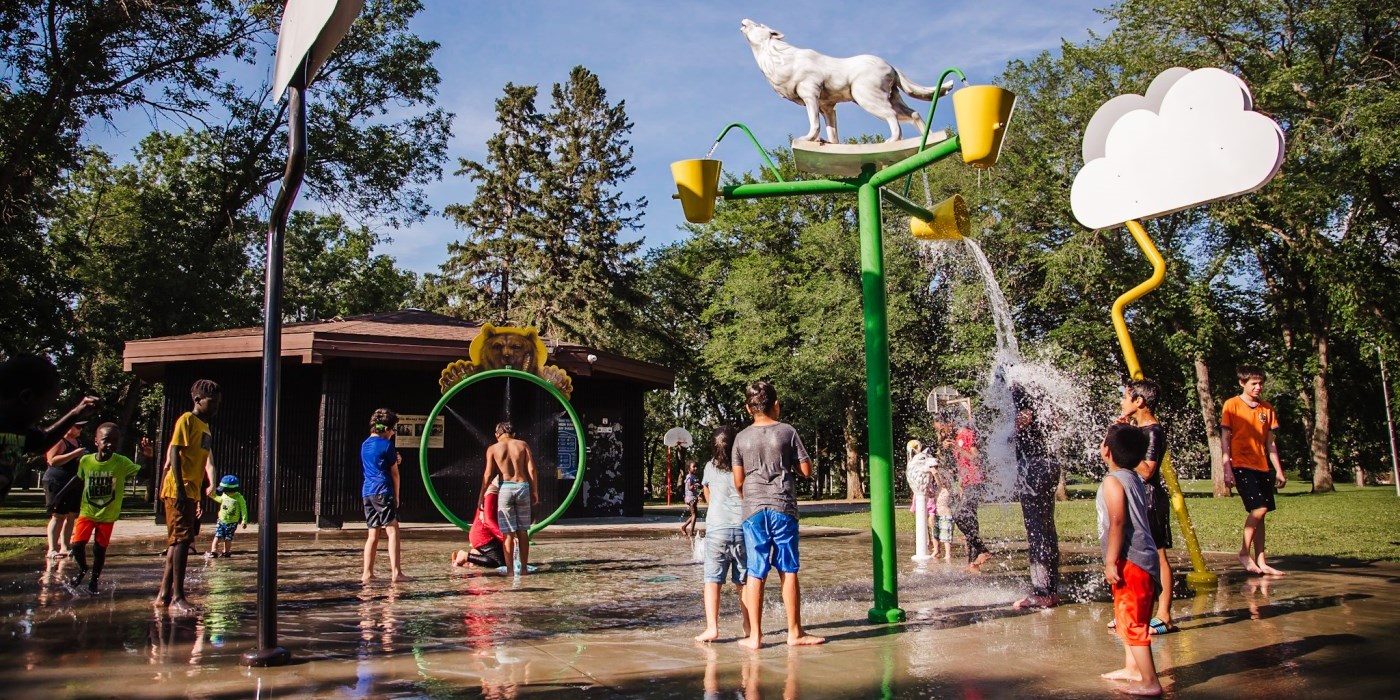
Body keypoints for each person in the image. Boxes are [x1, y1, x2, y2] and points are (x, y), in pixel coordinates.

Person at [733, 381, 824, 649]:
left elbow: (738, 481)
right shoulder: (787, 432)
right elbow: (806, 470)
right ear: (776, 405)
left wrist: (749, 497)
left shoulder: (741, 438)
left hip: (753, 510)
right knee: (788, 568)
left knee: (754, 571)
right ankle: (794, 633)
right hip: (783, 506)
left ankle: (755, 637)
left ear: (748, 408)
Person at [1096, 423, 1163, 696]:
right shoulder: (1133, 477)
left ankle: (1150, 680)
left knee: (1133, 622)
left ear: (1107, 451)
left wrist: (1110, 561)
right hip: (1142, 559)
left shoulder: (1113, 481)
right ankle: (1131, 668)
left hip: (1129, 560)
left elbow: (1118, 522)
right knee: (1127, 617)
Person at [155, 379, 220, 614]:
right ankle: (178, 596)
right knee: (182, 541)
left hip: (190, 491)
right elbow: (174, 450)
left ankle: (164, 594)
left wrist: (196, 495)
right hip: (178, 490)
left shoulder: (205, 426)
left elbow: (201, 462)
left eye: (218, 403)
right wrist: (181, 491)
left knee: (178, 541)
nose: (215, 407)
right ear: (197, 400)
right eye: (211, 402)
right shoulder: (187, 420)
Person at [0, 355, 98, 506]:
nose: (45, 412)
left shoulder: (17, 428)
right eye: (46, 404)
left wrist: (76, 413)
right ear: (26, 397)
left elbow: (42, 441)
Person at [1119, 379, 1177, 633]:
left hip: (1150, 500)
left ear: (1139, 401)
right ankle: (1134, 611)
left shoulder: (1153, 431)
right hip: (1135, 497)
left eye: (1125, 397)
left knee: (1158, 556)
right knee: (1131, 555)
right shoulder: (1138, 429)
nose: (1122, 402)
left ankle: (1164, 615)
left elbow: (1147, 471)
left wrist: (1124, 448)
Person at [1220, 366, 1287, 576]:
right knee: (1259, 509)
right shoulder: (1231, 405)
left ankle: (1261, 560)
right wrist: (1227, 468)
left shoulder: (1266, 409)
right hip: (1241, 464)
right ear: (1242, 383)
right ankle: (1243, 552)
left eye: (1260, 383)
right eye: (1254, 384)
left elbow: (1270, 444)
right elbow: (1225, 439)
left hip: (1262, 466)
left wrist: (1278, 470)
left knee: (1262, 514)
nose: (1258, 387)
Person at [67, 423, 143, 593]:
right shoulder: (86, 461)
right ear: (96, 442)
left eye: (115, 441)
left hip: (108, 515)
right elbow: (78, 479)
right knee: (77, 545)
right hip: (88, 512)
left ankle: (94, 581)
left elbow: (141, 472)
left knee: (99, 550)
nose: (110, 444)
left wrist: (150, 457)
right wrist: (60, 495)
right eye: (106, 440)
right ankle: (83, 568)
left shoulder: (121, 462)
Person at [695, 426, 750, 643]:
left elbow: (707, 494)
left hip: (717, 528)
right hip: (742, 529)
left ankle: (712, 628)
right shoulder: (743, 466)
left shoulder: (709, 466)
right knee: (743, 582)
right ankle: (748, 626)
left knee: (712, 580)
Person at [1013, 385, 1061, 609]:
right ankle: (1051, 590)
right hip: (1048, 465)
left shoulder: (1025, 409)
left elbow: (1020, 422)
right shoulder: (1043, 404)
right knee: (1046, 527)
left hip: (1033, 469)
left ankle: (1042, 591)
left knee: (1036, 530)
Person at [362, 408, 411, 582]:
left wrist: (394, 456)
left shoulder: (365, 444)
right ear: (387, 429)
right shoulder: (387, 445)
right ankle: (396, 573)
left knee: (372, 534)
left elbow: (378, 460)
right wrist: (396, 496)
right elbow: (395, 473)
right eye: (393, 430)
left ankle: (367, 573)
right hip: (383, 490)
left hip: (367, 492)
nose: (393, 434)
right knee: (393, 530)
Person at [482, 421, 538, 575]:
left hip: (505, 488)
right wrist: (535, 490)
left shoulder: (493, 448)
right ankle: (525, 569)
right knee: (523, 530)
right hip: (522, 486)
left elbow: (487, 475)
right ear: (513, 434)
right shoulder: (522, 444)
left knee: (508, 533)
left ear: (497, 435)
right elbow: (531, 469)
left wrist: (482, 495)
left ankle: (510, 571)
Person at [940, 412, 991, 572]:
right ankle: (972, 563)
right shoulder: (956, 438)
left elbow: (975, 458)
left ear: (950, 423)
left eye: (942, 428)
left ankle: (983, 550)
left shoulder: (967, 434)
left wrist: (956, 447)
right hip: (967, 483)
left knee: (959, 515)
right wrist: (961, 482)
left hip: (976, 482)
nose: (942, 432)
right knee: (970, 520)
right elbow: (963, 464)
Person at [43, 421, 85, 559]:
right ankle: (52, 549)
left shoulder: (77, 442)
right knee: (58, 515)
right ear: (69, 427)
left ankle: (65, 547)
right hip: (57, 482)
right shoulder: (59, 441)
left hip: (73, 481)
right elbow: (52, 460)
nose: (81, 429)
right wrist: (73, 454)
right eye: (78, 426)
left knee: (71, 515)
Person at [453, 479, 505, 569]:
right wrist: (504, 537)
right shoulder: (492, 491)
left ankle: (475, 555)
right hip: (483, 535)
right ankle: (465, 556)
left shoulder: (501, 490)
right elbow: (487, 520)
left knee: (507, 561)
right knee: (498, 563)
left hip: (491, 534)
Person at [206, 475, 248, 558]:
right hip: (221, 520)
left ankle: (226, 552)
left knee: (228, 538)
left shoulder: (239, 498)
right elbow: (220, 499)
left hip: (232, 523)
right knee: (218, 535)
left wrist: (244, 520)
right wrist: (212, 496)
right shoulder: (224, 495)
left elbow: (244, 509)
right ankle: (213, 551)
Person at [932, 462, 954, 561]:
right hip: (938, 514)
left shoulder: (948, 489)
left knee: (946, 536)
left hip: (946, 515)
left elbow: (940, 483)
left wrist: (935, 474)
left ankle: (948, 554)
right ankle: (936, 550)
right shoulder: (939, 489)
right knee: (935, 534)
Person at [680, 461, 702, 537]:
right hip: (690, 498)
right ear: (689, 468)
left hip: (693, 497)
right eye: (694, 467)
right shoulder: (689, 477)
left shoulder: (693, 476)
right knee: (694, 515)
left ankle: (684, 527)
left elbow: (694, 489)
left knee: (694, 515)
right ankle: (691, 532)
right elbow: (689, 488)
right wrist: (694, 484)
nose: (696, 468)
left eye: (696, 467)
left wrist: (698, 495)